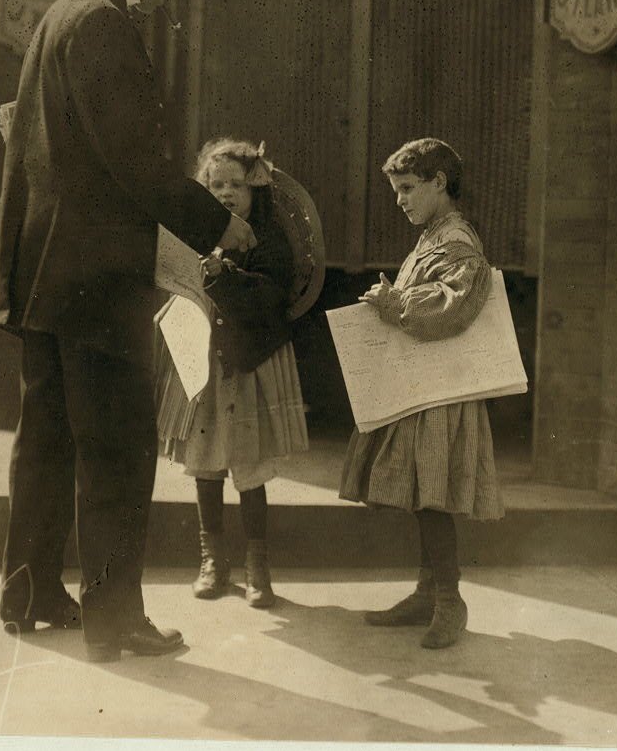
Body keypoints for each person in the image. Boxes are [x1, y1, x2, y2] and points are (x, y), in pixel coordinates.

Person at [0, 0, 256, 663]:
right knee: (118, 448)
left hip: (45, 272)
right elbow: (136, 165)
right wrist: (219, 222)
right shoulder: (105, 26)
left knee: (46, 438)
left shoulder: (63, 13)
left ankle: (28, 594)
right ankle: (114, 620)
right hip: (95, 279)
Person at [339, 137, 504, 649]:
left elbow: (451, 309)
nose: (400, 200)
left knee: (432, 497)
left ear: (439, 183)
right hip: (424, 387)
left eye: (408, 188)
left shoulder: (457, 241)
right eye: (396, 190)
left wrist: (394, 303)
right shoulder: (434, 234)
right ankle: (428, 592)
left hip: (443, 393)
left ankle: (450, 600)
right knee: (422, 493)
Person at [157, 138, 315, 608]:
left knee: (249, 466)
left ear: (256, 191)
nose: (226, 193)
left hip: (249, 363)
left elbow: (269, 296)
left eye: (237, 185)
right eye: (215, 183)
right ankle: (212, 560)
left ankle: (257, 565)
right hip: (204, 362)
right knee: (205, 461)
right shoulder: (195, 237)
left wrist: (224, 276)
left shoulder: (267, 240)